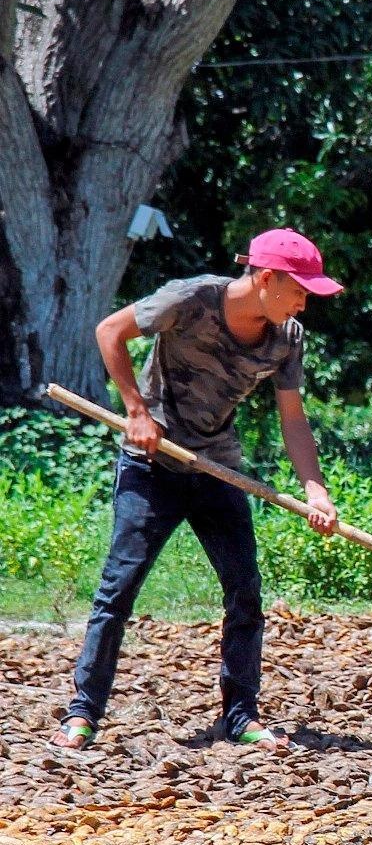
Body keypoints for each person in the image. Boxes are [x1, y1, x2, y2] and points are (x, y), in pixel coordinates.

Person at [49, 228, 344, 753]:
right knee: (119, 589)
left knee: (245, 590)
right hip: (152, 465)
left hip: (216, 469)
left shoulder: (287, 337)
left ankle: (240, 716)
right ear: (267, 278)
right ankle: (83, 714)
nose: (304, 302)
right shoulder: (190, 298)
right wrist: (137, 413)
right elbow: (109, 330)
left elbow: (293, 421)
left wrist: (315, 491)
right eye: (299, 289)